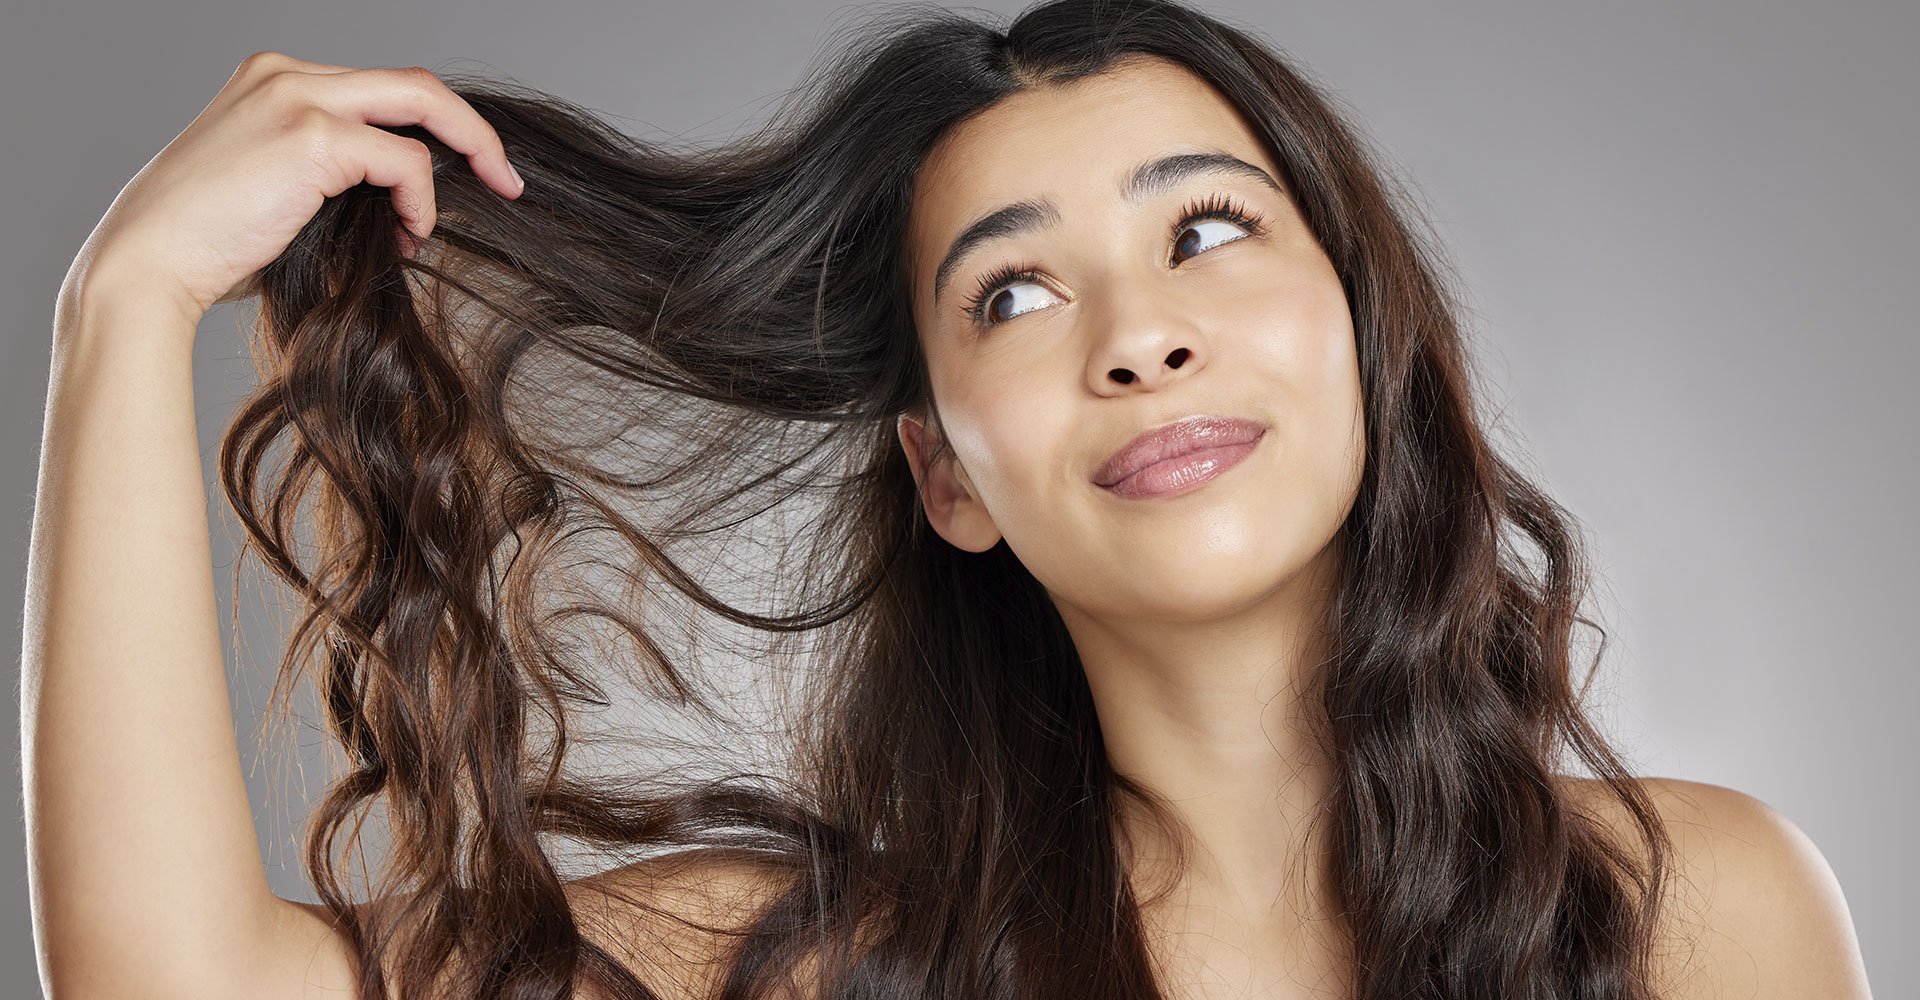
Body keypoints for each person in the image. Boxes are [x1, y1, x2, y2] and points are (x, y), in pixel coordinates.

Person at [22, 1, 1871, 998]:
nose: (1138, 338)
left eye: (1205, 233)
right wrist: (123, 306)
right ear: (945, 478)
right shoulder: (831, 966)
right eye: (1016, 291)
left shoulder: (1702, 914)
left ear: (1366, 338)